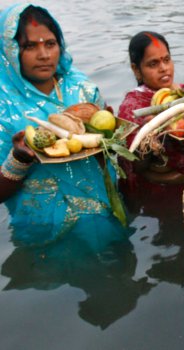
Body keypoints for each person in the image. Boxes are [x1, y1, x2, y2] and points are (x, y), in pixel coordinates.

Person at [0, 4, 128, 250]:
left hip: (104, 217)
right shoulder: (4, 105)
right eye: (29, 46)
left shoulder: (82, 89)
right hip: (43, 232)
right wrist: (18, 159)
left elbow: (109, 156)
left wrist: (111, 138)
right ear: (10, 50)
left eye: (50, 43)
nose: (44, 54)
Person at [118, 31, 184, 185]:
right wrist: (148, 139)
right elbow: (135, 165)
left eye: (166, 60)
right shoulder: (132, 108)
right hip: (156, 193)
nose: (164, 68)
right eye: (153, 64)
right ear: (136, 70)